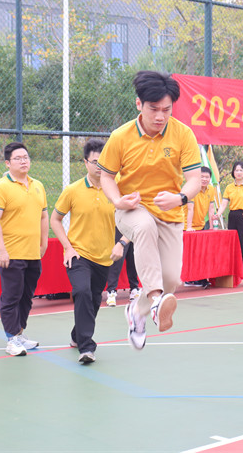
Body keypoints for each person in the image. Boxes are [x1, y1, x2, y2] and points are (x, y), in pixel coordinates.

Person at [98, 70, 202, 351]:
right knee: (144, 227)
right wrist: (118, 200)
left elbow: (194, 179)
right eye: (154, 109)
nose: (160, 116)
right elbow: (106, 176)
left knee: (172, 280)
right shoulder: (121, 137)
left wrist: (180, 198)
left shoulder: (183, 134)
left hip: (170, 211)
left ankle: (137, 311)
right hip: (132, 207)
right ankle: (155, 303)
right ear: (139, 104)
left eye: (166, 110)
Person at [51, 139, 123, 363]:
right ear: (85, 163)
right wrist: (68, 247)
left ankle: (77, 335)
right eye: (95, 162)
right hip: (79, 254)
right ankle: (86, 347)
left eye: (104, 162)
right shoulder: (73, 190)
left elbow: (131, 219)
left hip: (104, 257)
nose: (100, 167)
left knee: (93, 300)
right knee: (82, 291)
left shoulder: (116, 189)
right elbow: (55, 219)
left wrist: (123, 242)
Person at [0, 142, 49, 357]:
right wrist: (1, 250)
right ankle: (11, 338)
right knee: (11, 296)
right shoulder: (0, 187)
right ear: (7, 163)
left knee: (26, 296)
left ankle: (20, 333)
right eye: (18, 158)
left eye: (26, 157)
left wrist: (43, 242)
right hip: (11, 253)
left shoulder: (38, 185)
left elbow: (43, 216)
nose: (23, 161)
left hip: (32, 252)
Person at [104, 229, 140, 307]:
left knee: (133, 258)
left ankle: (134, 288)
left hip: (133, 227)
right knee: (117, 260)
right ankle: (111, 291)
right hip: (120, 226)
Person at [187, 166, 217, 231]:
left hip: (201, 226)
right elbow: (190, 209)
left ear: (210, 178)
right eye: (202, 177)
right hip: (186, 226)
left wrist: (211, 227)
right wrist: (189, 227)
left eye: (207, 177)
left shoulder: (211, 189)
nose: (204, 179)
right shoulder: (192, 189)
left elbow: (211, 209)